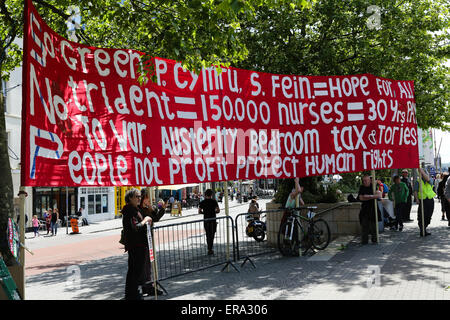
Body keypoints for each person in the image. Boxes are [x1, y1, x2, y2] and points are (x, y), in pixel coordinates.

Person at [122, 188, 153, 300]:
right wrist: (145, 220)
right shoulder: (130, 211)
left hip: (139, 244)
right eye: (137, 196)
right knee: (135, 271)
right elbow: (135, 227)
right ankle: (132, 294)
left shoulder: (135, 209)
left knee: (135, 271)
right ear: (130, 198)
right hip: (136, 244)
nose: (139, 198)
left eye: (140, 196)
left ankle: (132, 292)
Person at [138, 188, 166, 296]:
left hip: (148, 239)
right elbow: (150, 219)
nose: (149, 200)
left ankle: (148, 286)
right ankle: (147, 286)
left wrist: (161, 209)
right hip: (142, 240)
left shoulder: (147, 208)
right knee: (145, 264)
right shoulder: (140, 209)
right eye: (147, 198)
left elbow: (156, 218)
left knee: (148, 263)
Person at [358, 174, 382, 244]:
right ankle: (364, 241)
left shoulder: (373, 187)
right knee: (364, 226)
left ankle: (374, 240)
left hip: (373, 209)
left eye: (366, 180)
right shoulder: (362, 187)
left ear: (370, 180)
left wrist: (368, 196)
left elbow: (379, 195)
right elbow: (361, 198)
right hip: (365, 210)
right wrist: (373, 197)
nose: (365, 182)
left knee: (374, 227)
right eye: (364, 181)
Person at [414, 167, 436, 237]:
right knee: (421, 216)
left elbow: (427, 179)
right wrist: (416, 199)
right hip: (422, 201)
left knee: (428, 216)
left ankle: (424, 228)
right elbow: (415, 191)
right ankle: (422, 230)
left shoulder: (430, 179)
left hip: (430, 200)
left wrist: (422, 172)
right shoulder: (418, 181)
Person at [198, 189, 220, 255]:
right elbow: (218, 210)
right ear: (211, 195)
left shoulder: (202, 202)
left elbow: (199, 211)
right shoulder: (214, 201)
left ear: (205, 195)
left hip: (206, 220)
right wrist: (214, 212)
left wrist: (204, 213)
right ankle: (211, 248)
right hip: (213, 219)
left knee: (208, 234)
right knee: (212, 234)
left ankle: (209, 248)